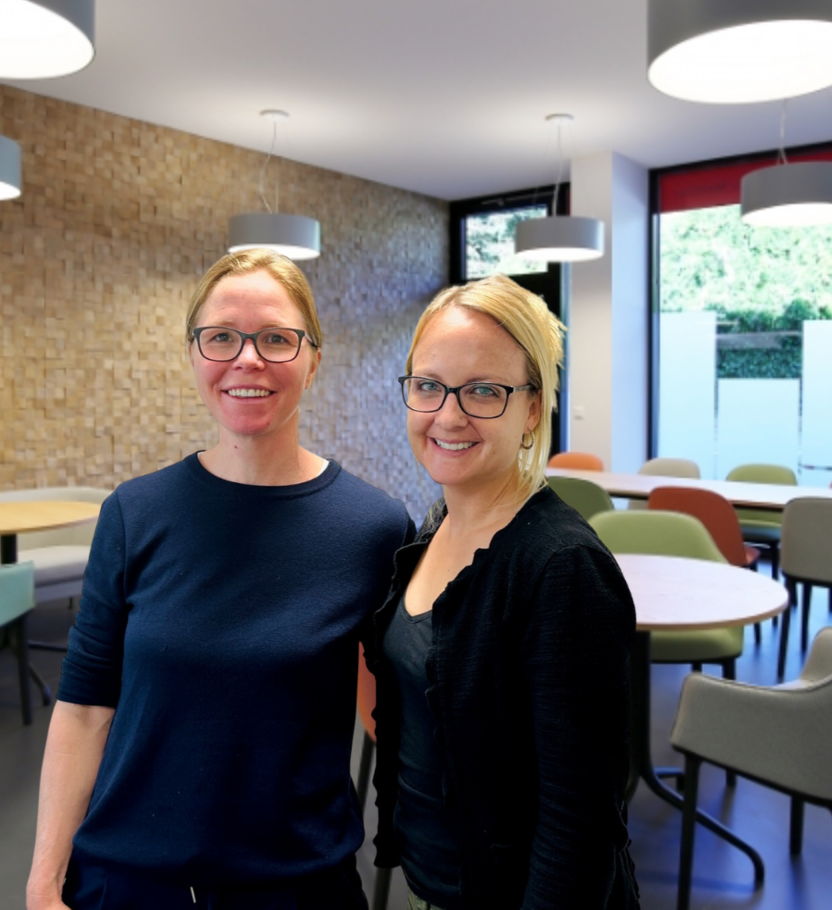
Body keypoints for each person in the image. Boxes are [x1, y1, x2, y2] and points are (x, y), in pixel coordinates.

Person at [27, 248, 415, 910]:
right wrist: (43, 881)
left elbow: (392, 713)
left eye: (276, 338)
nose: (248, 358)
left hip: (298, 883)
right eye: (222, 337)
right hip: (128, 878)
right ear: (193, 355)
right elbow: (86, 707)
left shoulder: (373, 527)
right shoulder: (134, 512)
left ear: (313, 359)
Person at [369, 274, 639, 910]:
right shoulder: (436, 527)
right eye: (429, 386)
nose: (449, 415)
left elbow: (579, 827)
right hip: (434, 882)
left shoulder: (562, 568)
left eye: (484, 391)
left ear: (533, 410)